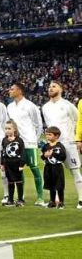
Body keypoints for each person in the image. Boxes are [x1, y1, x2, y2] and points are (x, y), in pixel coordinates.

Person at [41, 80, 82, 209]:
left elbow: (78, 120)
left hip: (68, 143)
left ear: (61, 89)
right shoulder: (45, 107)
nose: (50, 88)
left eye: (54, 86)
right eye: (49, 87)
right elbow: (49, 127)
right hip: (53, 145)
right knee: (54, 172)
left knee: (75, 171)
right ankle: (57, 200)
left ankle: (81, 199)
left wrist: (76, 138)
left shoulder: (68, 105)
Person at [7, 82, 45, 206]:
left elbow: (38, 124)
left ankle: (40, 197)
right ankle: (20, 196)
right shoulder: (10, 107)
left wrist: (35, 139)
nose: (10, 91)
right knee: (18, 171)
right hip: (17, 144)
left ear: (20, 91)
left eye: (12, 89)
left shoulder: (30, 106)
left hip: (29, 142)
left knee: (34, 168)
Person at [1, 119, 27, 207]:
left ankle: (20, 199)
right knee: (10, 182)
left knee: (19, 182)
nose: (7, 130)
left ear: (14, 129)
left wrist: (22, 164)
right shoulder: (4, 140)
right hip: (8, 164)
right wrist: (2, 164)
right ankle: (10, 200)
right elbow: (3, 153)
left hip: (17, 164)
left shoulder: (19, 140)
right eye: (6, 129)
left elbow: (23, 153)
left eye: (9, 128)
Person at [42, 126, 67, 209]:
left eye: (50, 135)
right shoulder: (46, 146)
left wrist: (53, 154)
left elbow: (63, 156)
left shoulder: (60, 146)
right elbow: (43, 156)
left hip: (57, 168)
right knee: (51, 185)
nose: (48, 136)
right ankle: (52, 201)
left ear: (56, 136)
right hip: (48, 167)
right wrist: (44, 155)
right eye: (47, 135)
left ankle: (61, 202)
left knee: (59, 185)